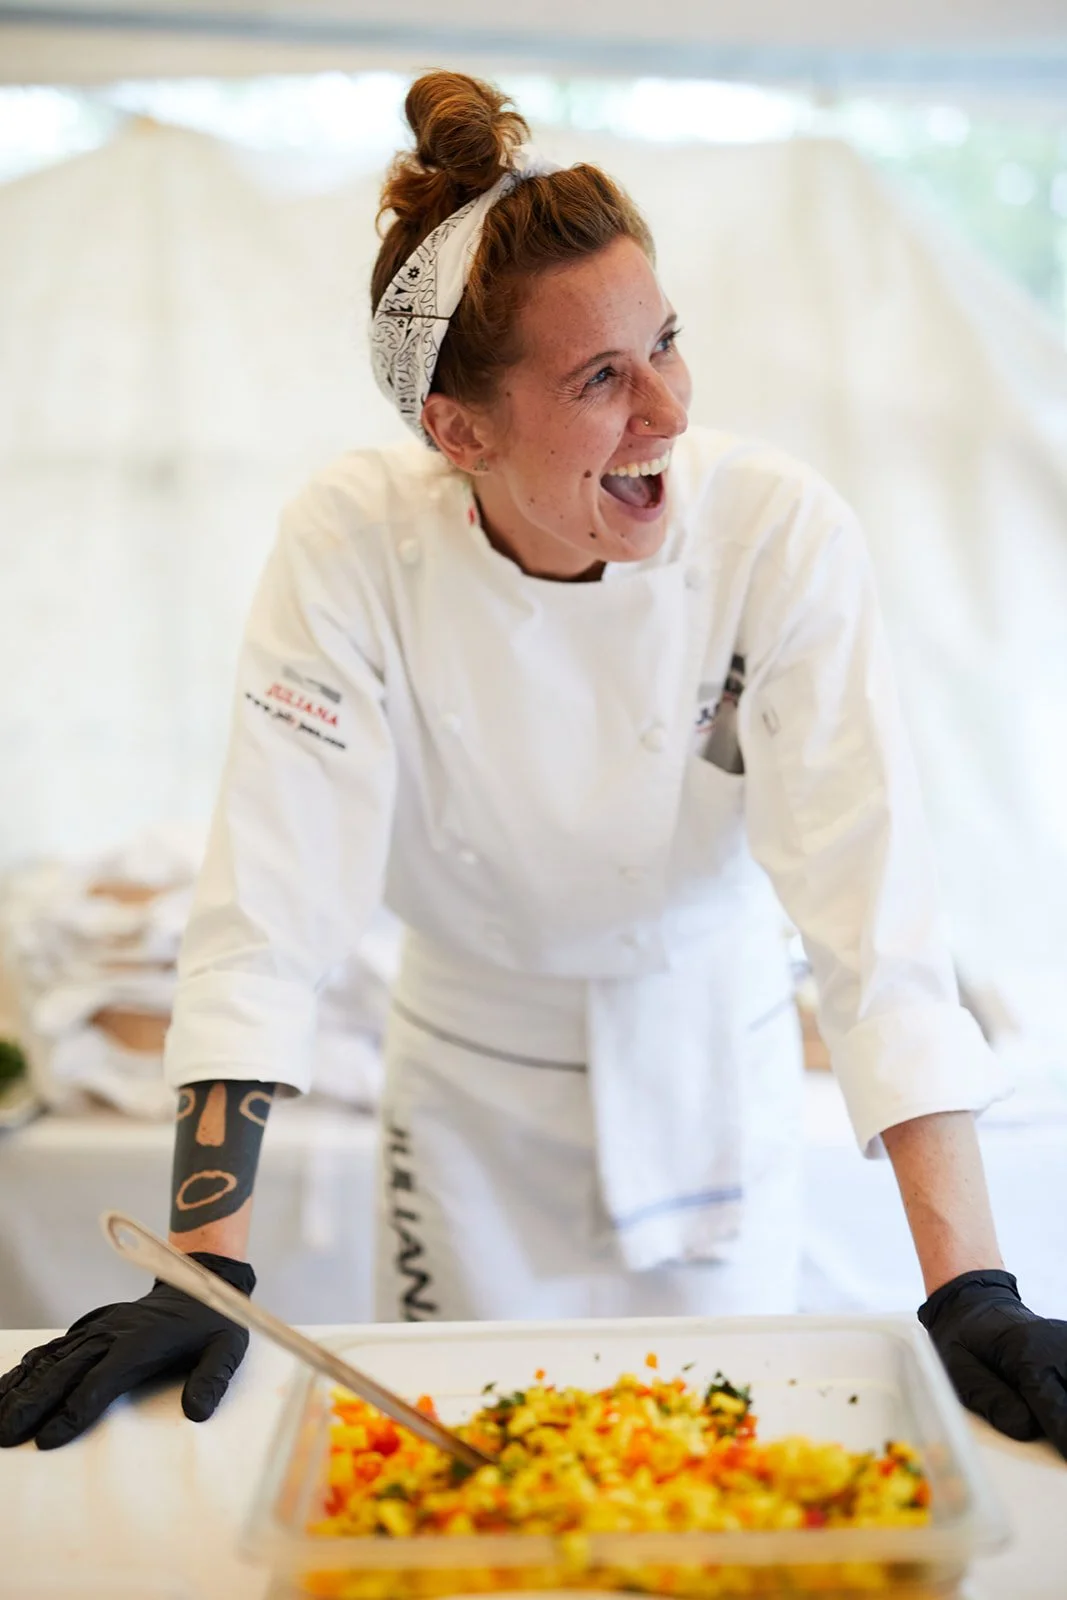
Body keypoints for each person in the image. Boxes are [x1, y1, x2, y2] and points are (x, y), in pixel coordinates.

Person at [2, 70, 1065, 1456]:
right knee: (467, 1472)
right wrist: (206, 1260)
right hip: (465, 1106)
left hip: (706, 1076)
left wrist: (969, 1290)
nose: (669, 410)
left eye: (667, 342)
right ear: (457, 430)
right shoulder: (349, 544)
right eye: (600, 379)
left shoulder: (775, 538)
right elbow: (267, 905)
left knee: (714, 1469)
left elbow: (873, 924)